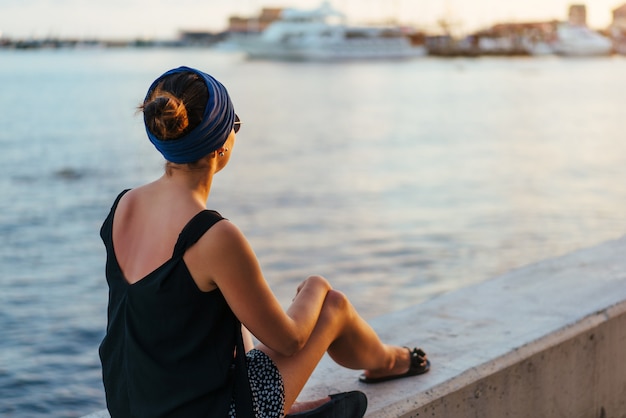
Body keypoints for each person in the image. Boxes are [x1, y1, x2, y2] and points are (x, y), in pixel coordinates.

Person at [98, 66, 430, 418]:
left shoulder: (125, 205)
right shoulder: (213, 236)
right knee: (332, 305)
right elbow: (288, 341)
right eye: (235, 124)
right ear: (221, 144)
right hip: (214, 412)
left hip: (131, 406)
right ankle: (392, 361)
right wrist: (315, 288)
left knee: (226, 310)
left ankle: (374, 367)